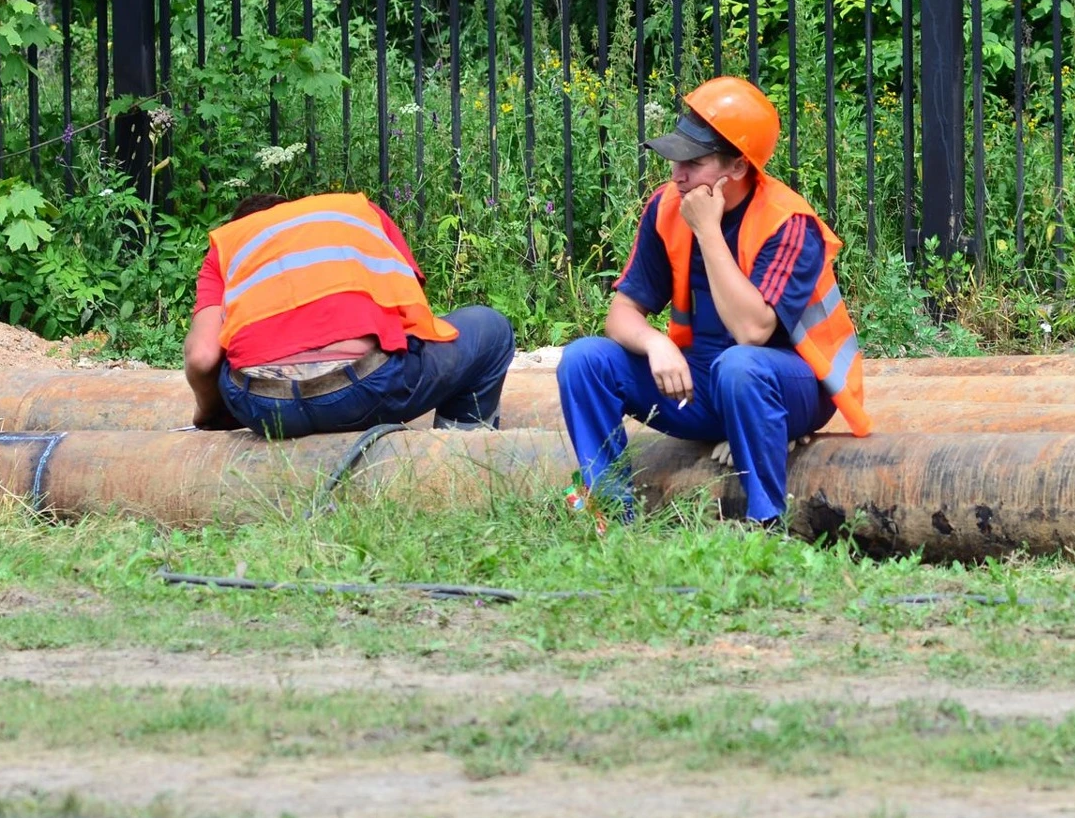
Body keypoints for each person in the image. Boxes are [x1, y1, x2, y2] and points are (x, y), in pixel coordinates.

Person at [555, 76, 871, 528]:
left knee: (739, 366)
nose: (676, 175)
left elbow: (752, 332)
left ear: (738, 166)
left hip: (791, 383)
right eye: (674, 158)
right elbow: (621, 314)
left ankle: (766, 523)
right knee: (584, 360)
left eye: (694, 162)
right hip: (704, 382)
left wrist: (707, 230)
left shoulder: (789, 222)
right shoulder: (668, 205)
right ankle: (608, 514)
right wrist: (656, 344)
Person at [183, 191, 514, 438]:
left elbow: (202, 357)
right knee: (491, 329)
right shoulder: (352, 211)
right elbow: (409, 312)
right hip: (365, 390)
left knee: (229, 351)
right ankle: (459, 454)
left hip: (265, 408)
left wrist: (213, 414)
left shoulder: (226, 244)